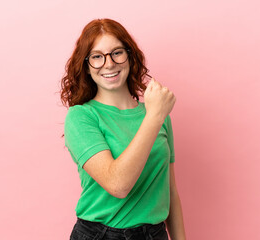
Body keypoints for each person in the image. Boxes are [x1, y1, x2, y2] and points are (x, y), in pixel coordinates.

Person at [61, 18, 186, 240]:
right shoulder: (81, 117)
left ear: (130, 56)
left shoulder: (158, 116)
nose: (109, 64)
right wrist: (155, 116)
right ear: (87, 67)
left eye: (117, 52)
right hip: (100, 234)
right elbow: (118, 185)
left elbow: (170, 191)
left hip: (155, 234)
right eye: (97, 57)